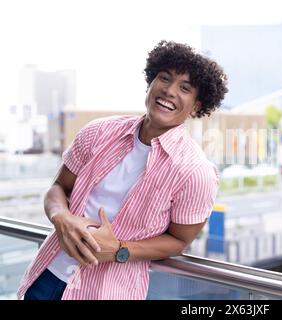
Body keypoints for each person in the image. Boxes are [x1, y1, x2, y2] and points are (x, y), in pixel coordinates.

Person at [17, 40, 228, 300]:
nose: (170, 91)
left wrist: (119, 250)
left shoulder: (196, 172)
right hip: (45, 276)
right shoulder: (98, 132)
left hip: (106, 292)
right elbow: (59, 187)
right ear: (151, 82)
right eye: (164, 78)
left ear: (197, 106)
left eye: (185, 88)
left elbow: (179, 241)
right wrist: (61, 217)